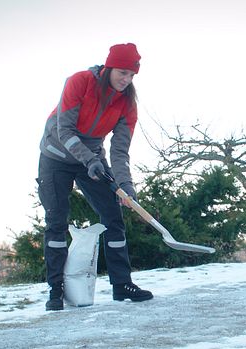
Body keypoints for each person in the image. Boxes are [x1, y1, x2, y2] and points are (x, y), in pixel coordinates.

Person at [37, 43, 153, 311]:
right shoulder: (79, 82)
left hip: (91, 158)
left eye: (132, 75)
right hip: (56, 156)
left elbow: (120, 150)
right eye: (123, 72)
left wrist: (125, 186)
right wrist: (90, 160)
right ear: (110, 67)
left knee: (113, 215)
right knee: (56, 220)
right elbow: (64, 130)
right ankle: (55, 291)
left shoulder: (127, 103)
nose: (127, 79)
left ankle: (122, 285)